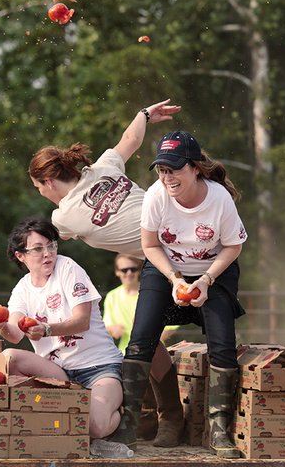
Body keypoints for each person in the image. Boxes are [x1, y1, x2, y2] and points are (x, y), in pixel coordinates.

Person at [28, 99, 185, 448]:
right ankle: (165, 418)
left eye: (39, 186)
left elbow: (60, 236)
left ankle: (162, 417)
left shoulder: (63, 218)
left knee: (147, 341)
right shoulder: (101, 168)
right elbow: (129, 139)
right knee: (145, 340)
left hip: (185, 248)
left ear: (49, 180)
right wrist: (145, 115)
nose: (40, 193)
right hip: (163, 261)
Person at [107, 130, 248, 459]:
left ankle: (218, 429)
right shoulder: (157, 196)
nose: (167, 177)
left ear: (195, 167)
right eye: (162, 170)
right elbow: (149, 245)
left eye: (174, 169)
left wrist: (207, 280)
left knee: (223, 344)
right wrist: (174, 278)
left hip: (215, 269)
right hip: (166, 267)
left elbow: (234, 245)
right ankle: (128, 427)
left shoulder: (219, 199)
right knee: (140, 338)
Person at [0, 216, 124, 443]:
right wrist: (1, 326)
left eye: (51, 245)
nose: (48, 254)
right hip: (58, 373)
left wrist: (47, 329)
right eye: (38, 249)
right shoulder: (22, 289)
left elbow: (82, 321)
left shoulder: (68, 268)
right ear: (21, 256)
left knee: (94, 427)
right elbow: (15, 333)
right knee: (8, 357)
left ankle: (120, 413)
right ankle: (39, 414)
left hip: (98, 368)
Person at [102, 253, 178, 440]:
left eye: (133, 269)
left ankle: (164, 422)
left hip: (153, 351)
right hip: (123, 353)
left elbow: (170, 328)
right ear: (117, 272)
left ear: (140, 271)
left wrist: (149, 338)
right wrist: (112, 329)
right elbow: (106, 327)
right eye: (124, 269)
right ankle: (141, 425)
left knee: (147, 359)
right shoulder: (112, 297)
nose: (129, 273)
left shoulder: (150, 295)